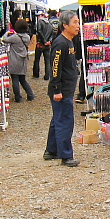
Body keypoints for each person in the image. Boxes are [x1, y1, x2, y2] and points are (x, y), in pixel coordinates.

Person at [44, 11, 81, 167]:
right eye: (75, 22)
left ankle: (51, 150)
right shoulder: (60, 43)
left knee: (57, 119)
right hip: (62, 90)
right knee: (65, 122)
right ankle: (66, 155)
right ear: (65, 25)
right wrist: (57, 89)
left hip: (67, 88)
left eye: (78, 22)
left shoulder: (70, 41)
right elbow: (55, 68)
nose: (78, 26)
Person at [4, 19, 35, 102]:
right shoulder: (27, 37)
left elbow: (4, 39)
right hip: (23, 60)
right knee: (23, 79)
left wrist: (7, 33)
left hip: (14, 60)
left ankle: (18, 97)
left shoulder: (15, 37)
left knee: (15, 79)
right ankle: (30, 95)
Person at [32, 12, 55, 80]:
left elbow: (39, 31)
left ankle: (36, 74)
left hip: (40, 44)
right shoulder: (50, 23)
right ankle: (47, 76)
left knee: (37, 59)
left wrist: (44, 41)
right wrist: (49, 41)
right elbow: (52, 33)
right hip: (47, 45)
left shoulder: (40, 22)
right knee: (47, 61)